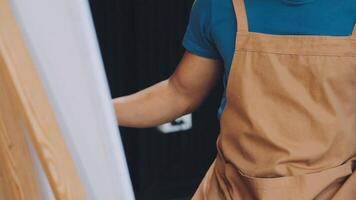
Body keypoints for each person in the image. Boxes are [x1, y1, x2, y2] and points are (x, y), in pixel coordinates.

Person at [113, 0, 356, 199]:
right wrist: (92, 113)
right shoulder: (220, 5)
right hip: (232, 189)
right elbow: (179, 93)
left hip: (337, 189)